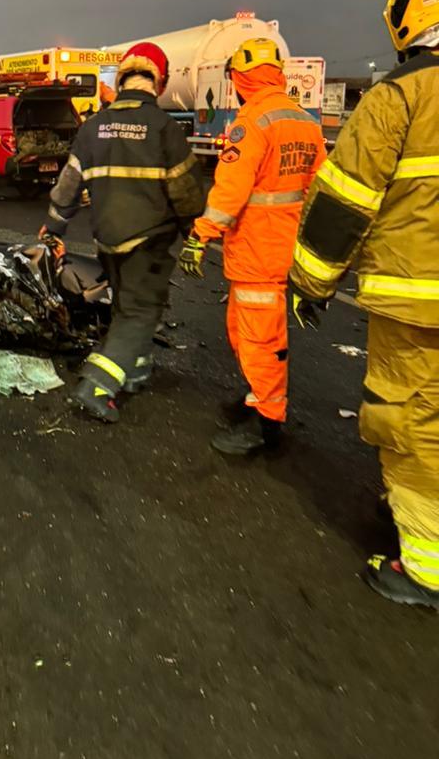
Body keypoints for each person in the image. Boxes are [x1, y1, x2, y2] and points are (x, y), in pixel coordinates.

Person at [289, 0, 439, 609]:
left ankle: (426, 566)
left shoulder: (401, 98)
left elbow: (344, 202)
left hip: (419, 301)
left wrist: (310, 283)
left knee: (414, 423)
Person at [39, 42, 206, 422]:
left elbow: (67, 186)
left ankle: (134, 371)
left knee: (125, 306)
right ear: (158, 83)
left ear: (121, 78)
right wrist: (193, 232)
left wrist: (53, 227)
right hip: (149, 241)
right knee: (140, 312)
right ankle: (96, 385)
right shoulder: (164, 129)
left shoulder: (93, 127)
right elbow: (187, 194)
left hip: (107, 240)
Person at [177, 37, 326, 456]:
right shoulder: (304, 121)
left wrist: (200, 235)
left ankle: (266, 423)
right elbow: (318, 188)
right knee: (250, 334)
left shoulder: (252, 122)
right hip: (285, 248)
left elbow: (230, 189)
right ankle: (257, 400)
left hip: (257, 251)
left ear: (242, 78)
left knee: (258, 339)